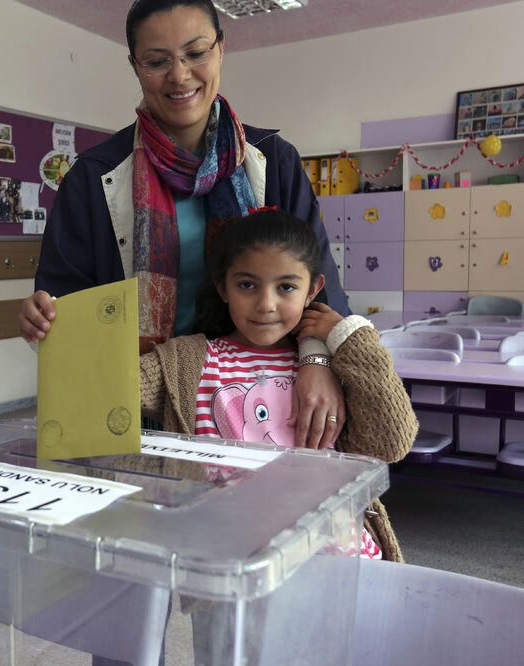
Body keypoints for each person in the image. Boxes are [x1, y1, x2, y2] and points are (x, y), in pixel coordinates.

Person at [19, 0, 349, 448]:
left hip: (263, 406)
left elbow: (318, 292)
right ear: (134, 66)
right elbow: (66, 307)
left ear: (221, 49)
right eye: (157, 61)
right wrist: (44, 318)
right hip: (142, 408)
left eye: (195, 53)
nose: (179, 75)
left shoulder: (275, 162)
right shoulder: (92, 178)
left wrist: (318, 364)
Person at [140, 208, 417, 560]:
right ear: (223, 287)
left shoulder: (337, 363)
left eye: (286, 287)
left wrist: (350, 335)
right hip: (235, 564)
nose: (266, 305)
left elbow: (392, 443)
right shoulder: (187, 362)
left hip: (338, 558)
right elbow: (109, 389)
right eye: (247, 285)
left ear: (313, 290)